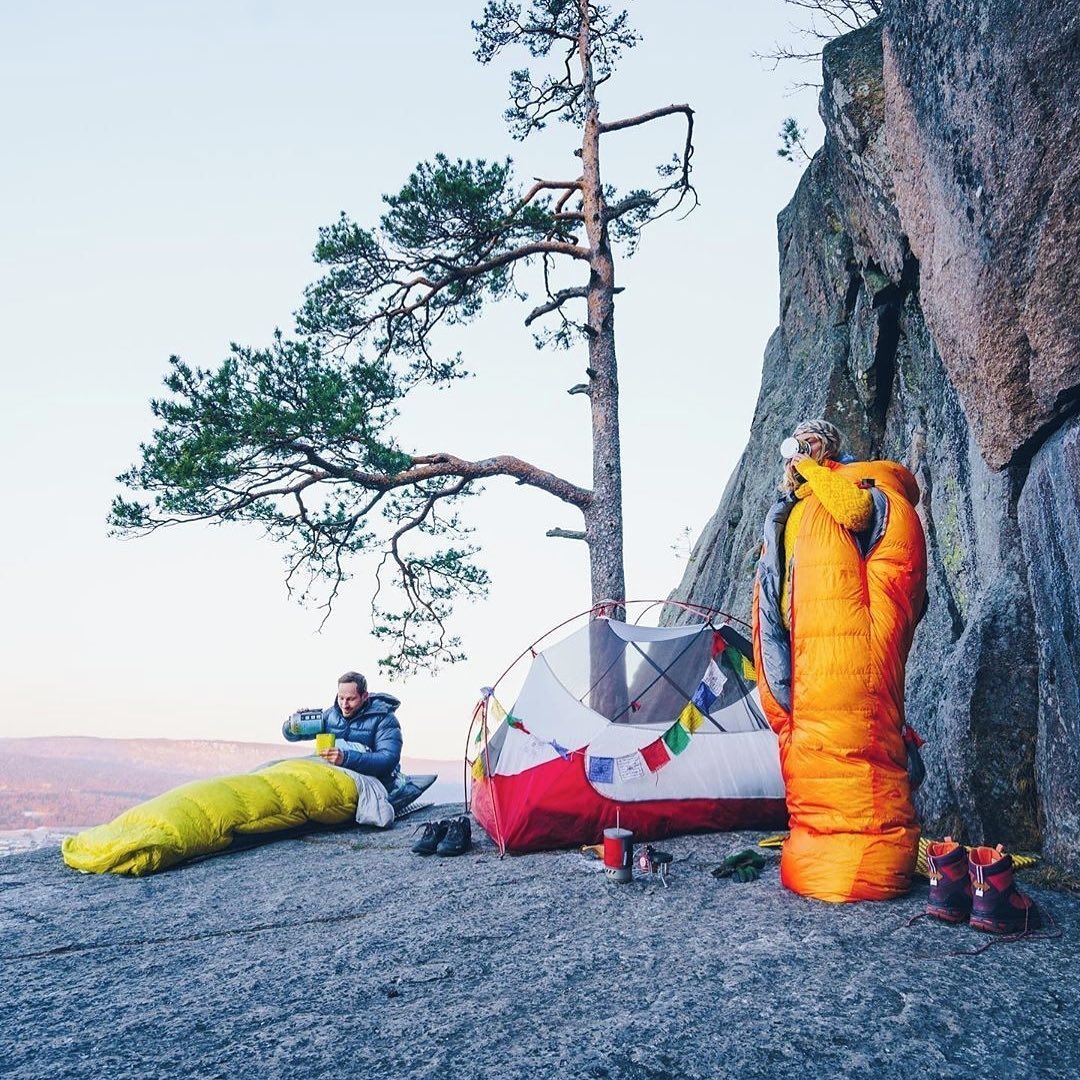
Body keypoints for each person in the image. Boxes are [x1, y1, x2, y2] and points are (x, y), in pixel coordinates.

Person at [752, 419, 927, 902]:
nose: (798, 453)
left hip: (844, 643)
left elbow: (855, 513)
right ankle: (817, 845)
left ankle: (869, 850)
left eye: (808, 443)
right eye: (795, 446)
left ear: (827, 448)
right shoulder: (798, 507)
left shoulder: (857, 487)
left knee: (850, 734)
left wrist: (811, 470)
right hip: (804, 640)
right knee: (811, 747)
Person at [283, 671, 403, 792]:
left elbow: (388, 760)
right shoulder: (331, 715)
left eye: (351, 699)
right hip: (338, 777)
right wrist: (294, 723)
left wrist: (346, 758)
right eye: (341, 698)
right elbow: (291, 736)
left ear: (364, 696)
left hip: (376, 781)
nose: (344, 705)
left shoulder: (385, 719)